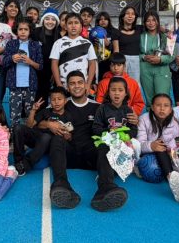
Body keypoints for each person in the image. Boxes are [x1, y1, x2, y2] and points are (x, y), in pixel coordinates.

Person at [48, 72, 128, 212]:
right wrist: (48, 124)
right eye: (72, 83)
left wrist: (133, 121)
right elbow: (37, 122)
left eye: (80, 82)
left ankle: (106, 187)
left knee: (105, 144)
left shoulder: (98, 107)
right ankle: (61, 183)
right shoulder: (60, 104)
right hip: (69, 154)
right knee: (56, 139)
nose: (76, 86)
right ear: (67, 87)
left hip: (91, 157)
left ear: (86, 85)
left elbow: (119, 120)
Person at [136, 92, 179, 210]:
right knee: (160, 147)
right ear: (152, 107)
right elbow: (138, 144)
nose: (162, 108)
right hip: (149, 154)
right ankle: (173, 179)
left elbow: (177, 140)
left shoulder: (174, 122)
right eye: (158, 105)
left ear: (170, 108)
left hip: (169, 153)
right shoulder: (144, 119)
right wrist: (151, 145)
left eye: (166, 105)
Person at [2, 19, 43, 126]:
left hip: (30, 86)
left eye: (26, 29)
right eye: (20, 29)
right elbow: (4, 63)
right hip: (14, 86)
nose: (23, 32)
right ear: (16, 30)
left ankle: (28, 137)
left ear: (30, 31)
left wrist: (30, 62)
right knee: (14, 115)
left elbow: (40, 66)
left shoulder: (35, 45)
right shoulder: (11, 44)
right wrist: (12, 58)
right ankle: (15, 138)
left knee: (29, 114)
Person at [16, 87, 65, 175]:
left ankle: (25, 165)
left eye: (59, 99)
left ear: (65, 101)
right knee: (19, 128)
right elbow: (30, 125)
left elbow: (69, 135)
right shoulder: (45, 111)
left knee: (46, 137)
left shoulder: (68, 115)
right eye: (53, 100)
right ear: (50, 101)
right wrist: (33, 110)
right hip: (37, 140)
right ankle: (18, 162)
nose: (56, 102)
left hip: (51, 145)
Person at [50, 13, 97, 89]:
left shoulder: (87, 43)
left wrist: (88, 84)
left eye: (76, 23)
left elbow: (92, 64)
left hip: (82, 85)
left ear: (81, 27)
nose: (73, 25)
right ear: (65, 26)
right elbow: (54, 64)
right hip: (64, 86)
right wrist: (59, 84)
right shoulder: (58, 43)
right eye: (70, 23)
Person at [139, 10, 173, 103]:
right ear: (144, 23)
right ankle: (150, 117)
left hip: (162, 69)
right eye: (148, 21)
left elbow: (172, 55)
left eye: (153, 20)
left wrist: (161, 59)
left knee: (162, 99)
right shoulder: (140, 36)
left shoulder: (166, 36)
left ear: (158, 21)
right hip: (145, 69)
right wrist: (143, 57)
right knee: (149, 100)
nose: (151, 23)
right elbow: (134, 54)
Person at [33, 7, 60, 100]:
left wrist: (54, 73)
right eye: (47, 18)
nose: (50, 22)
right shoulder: (35, 33)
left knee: (44, 99)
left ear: (56, 22)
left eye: (53, 19)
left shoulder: (59, 36)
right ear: (43, 20)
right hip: (34, 71)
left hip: (49, 73)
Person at [114, 5, 142, 83]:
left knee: (135, 84)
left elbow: (154, 27)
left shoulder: (140, 29)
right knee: (122, 83)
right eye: (127, 13)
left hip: (136, 61)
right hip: (123, 61)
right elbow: (116, 51)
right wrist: (118, 65)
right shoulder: (116, 32)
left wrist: (166, 30)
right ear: (123, 16)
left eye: (133, 14)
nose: (130, 16)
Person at [95, 11, 119, 78]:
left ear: (108, 20)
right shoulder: (94, 32)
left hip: (110, 62)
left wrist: (108, 45)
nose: (103, 21)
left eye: (105, 19)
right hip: (98, 62)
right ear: (97, 21)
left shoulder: (114, 31)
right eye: (101, 19)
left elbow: (116, 49)